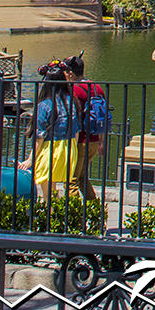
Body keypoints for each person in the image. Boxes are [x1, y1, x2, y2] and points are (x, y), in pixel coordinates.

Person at [32, 60, 83, 204]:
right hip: (69, 149)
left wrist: (30, 159)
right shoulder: (72, 101)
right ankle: (59, 219)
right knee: (55, 190)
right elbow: (77, 131)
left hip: (51, 150)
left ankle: (50, 221)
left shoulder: (45, 105)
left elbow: (39, 136)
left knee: (48, 194)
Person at [63, 53, 103, 207]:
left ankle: (74, 218)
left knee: (71, 180)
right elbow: (103, 115)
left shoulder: (74, 89)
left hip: (80, 141)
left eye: (66, 73)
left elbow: (73, 118)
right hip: (94, 140)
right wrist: (102, 141)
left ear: (71, 73)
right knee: (82, 178)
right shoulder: (96, 86)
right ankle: (95, 214)